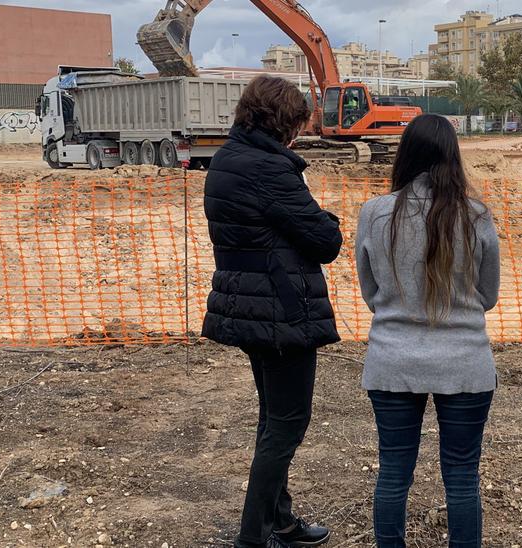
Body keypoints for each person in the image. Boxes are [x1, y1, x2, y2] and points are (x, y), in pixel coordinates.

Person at [202, 76, 342, 548]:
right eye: (297, 124)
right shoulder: (271, 169)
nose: (299, 134)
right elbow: (326, 242)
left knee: (272, 419)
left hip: (247, 306)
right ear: (284, 123)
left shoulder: (225, 159)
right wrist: (328, 216)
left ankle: (281, 522)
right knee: (286, 425)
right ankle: (253, 537)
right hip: (281, 313)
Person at [355, 114, 501, 548]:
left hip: (392, 361)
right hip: (466, 363)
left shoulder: (375, 213)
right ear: (453, 157)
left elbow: (370, 290)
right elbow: (488, 295)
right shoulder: (476, 216)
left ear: (405, 155)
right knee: (461, 475)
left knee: (393, 472)